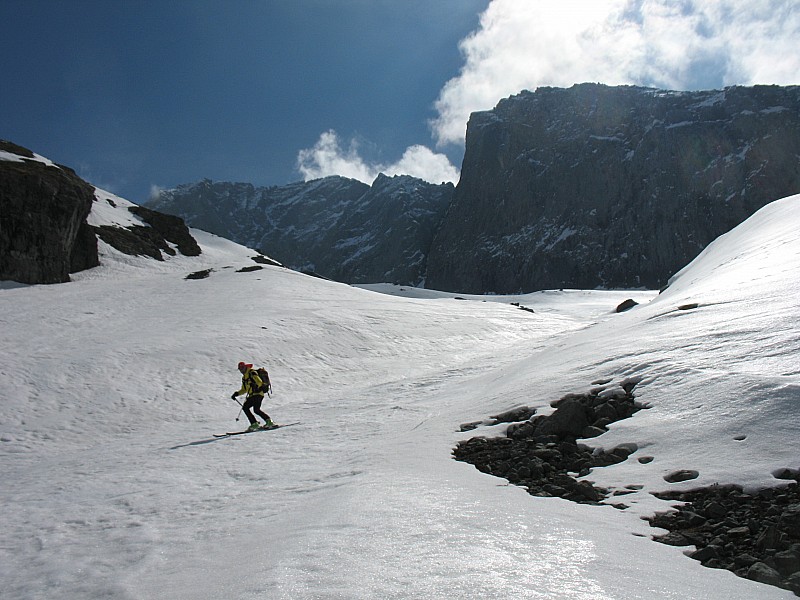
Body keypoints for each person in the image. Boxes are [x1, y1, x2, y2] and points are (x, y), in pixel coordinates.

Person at [232, 361, 274, 431]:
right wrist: (236, 394)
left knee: (246, 407)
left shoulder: (252, 372)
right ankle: (269, 422)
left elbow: (259, 381)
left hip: (257, 394)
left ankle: (254, 424)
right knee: (256, 410)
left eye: (242, 368)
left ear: (246, 367)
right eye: (240, 369)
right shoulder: (244, 377)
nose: (241, 370)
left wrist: (259, 387)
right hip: (255, 395)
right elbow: (244, 389)